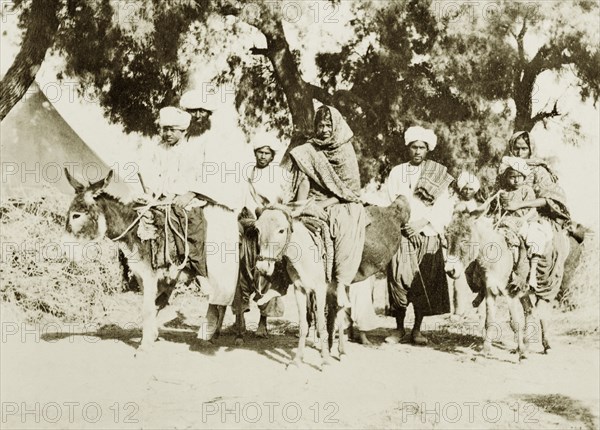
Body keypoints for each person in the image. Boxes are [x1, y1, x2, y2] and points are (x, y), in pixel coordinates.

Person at [179, 88, 247, 340]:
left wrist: (194, 193)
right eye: (192, 111)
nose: (197, 115)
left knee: (220, 265)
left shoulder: (220, 139)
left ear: (209, 114)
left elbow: (220, 177)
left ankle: (213, 317)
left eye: (201, 111)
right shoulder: (187, 140)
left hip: (219, 208)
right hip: (194, 203)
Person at [377, 125, 454, 345]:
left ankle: (417, 330)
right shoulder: (397, 172)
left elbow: (443, 207)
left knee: (423, 283)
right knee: (399, 281)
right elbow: (390, 202)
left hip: (427, 234)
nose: (417, 151)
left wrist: (421, 224)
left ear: (427, 149)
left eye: (421, 147)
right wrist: (404, 226)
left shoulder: (438, 173)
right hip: (402, 234)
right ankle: (399, 329)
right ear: (408, 148)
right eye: (413, 147)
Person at [288, 105, 367, 311]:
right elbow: (302, 181)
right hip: (311, 200)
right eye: (320, 125)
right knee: (286, 228)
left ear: (336, 126)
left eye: (328, 125)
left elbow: (349, 191)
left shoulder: (344, 150)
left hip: (339, 202)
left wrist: (324, 204)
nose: (324, 130)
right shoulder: (309, 149)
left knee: (344, 223)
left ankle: (341, 282)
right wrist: (302, 206)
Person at [138, 106, 209, 283]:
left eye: (172, 130)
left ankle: (198, 271)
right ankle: (147, 265)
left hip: (184, 197)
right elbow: (149, 171)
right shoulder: (158, 149)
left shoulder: (192, 150)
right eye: (165, 129)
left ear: (183, 131)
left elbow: (197, 176)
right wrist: (151, 192)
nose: (168, 133)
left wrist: (185, 194)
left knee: (192, 224)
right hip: (161, 197)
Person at [235, 131, 289, 336]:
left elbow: (280, 202)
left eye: (267, 153)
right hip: (249, 222)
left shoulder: (278, 175)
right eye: (259, 152)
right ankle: (239, 320)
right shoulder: (247, 173)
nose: (263, 156)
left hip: (268, 227)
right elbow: (242, 199)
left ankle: (262, 323)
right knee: (239, 267)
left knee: (269, 275)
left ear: (272, 155)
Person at [494, 156, 553, 289]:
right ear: (507, 178)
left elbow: (533, 209)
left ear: (524, 177)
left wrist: (522, 219)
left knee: (533, 237)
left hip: (526, 220)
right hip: (509, 222)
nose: (516, 179)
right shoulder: (505, 192)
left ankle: (531, 274)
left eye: (519, 176)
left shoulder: (526, 190)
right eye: (512, 176)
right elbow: (499, 209)